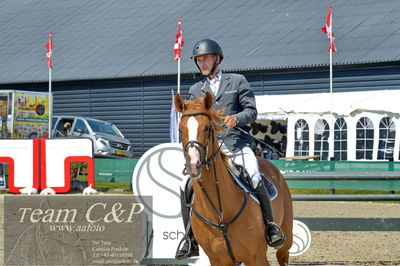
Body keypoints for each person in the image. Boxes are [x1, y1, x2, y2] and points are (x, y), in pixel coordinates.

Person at [175, 39, 285, 260]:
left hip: (236, 145)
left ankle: (271, 227)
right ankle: (190, 238)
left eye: (205, 58)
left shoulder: (237, 81)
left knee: (254, 176)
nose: (202, 63)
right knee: (187, 185)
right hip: (209, 152)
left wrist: (236, 118)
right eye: (199, 60)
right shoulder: (196, 89)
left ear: (217, 59)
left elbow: (251, 111)